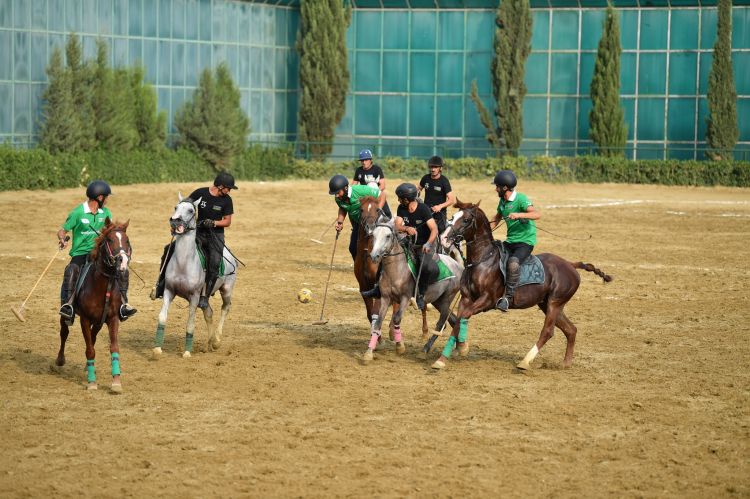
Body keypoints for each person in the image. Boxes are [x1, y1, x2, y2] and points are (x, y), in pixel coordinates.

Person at [152, 172, 237, 310]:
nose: (229, 190)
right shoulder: (200, 192)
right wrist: (177, 225)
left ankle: (205, 296)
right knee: (169, 248)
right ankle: (160, 285)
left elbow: (227, 221)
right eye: (228, 188)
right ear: (220, 186)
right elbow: (184, 207)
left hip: (215, 237)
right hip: (197, 233)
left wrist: (213, 223)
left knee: (215, 261)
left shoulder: (227, 200)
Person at [58, 180, 137, 322]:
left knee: (122, 270)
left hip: (99, 253)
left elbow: (110, 230)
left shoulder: (105, 213)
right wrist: (62, 239)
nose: (107, 200)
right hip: (80, 253)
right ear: (100, 197)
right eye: (106, 197)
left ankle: (123, 304)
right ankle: (68, 305)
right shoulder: (78, 212)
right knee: (72, 269)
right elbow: (63, 230)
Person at [488, 170, 541, 312]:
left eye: (497, 186)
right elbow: (497, 217)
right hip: (511, 241)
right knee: (492, 253)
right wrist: (486, 231)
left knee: (512, 263)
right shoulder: (502, 201)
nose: (495, 189)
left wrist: (519, 214)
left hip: (525, 242)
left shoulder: (521, 199)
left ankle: (508, 298)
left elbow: (536, 214)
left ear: (504, 187)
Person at [394, 182, 439, 311]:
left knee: (424, 266)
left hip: (424, 244)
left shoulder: (423, 209)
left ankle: (420, 294)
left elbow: (434, 229)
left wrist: (428, 243)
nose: (398, 200)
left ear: (407, 199)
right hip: (408, 242)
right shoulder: (401, 208)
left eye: (400, 198)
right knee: (388, 253)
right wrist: (406, 228)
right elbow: (397, 226)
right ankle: (378, 286)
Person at [329, 173, 385, 262]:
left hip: (373, 222)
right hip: (359, 223)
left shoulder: (361, 190)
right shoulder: (339, 198)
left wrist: (378, 210)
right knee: (353, 248)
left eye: (338, 192)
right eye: (334, 194)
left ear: (345, 188)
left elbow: (381, 195)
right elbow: (343, 208)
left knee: (377, 246)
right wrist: (340, 222)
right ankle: (359, 268)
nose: (336, 196)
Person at [418, 155, 455, 237]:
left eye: (435, 167)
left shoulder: (444, 181)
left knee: (440, 235)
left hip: (440, 215)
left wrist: (440, 206)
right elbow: (419, 189)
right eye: (431, 167)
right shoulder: (425, 178)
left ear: (440, 168)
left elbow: (452, 200)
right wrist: (416, 195)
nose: (432, 169)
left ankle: (442, 250)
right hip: (426, 212)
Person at [352, 149, 392, 218]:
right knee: (355, 214)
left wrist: (374, 193)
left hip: (376, 194)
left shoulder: (377, 169)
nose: (364, 162)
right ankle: (356, 228)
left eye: (366, 160)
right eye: (362, 160)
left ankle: (389, 225)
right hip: (364, 196)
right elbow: (353, 185)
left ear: (370, 160)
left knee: (387, 214)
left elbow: (382, 185)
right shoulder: (358, 170)